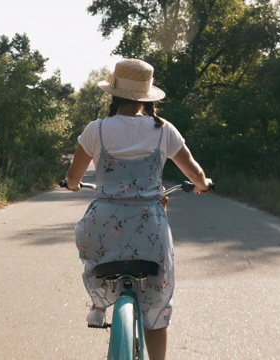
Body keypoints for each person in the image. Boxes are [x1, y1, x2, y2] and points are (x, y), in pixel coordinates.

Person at [64, 59, 212, 360]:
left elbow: (73, 177)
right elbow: (194, 172)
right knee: (156, 310)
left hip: (103, 224)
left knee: (94, 256)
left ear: (114, 94)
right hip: (150, 229)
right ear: (147, 96)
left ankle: (99, 305)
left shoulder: (97, 130)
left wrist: (73, 185)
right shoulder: (163, 130)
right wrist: (202, 183)